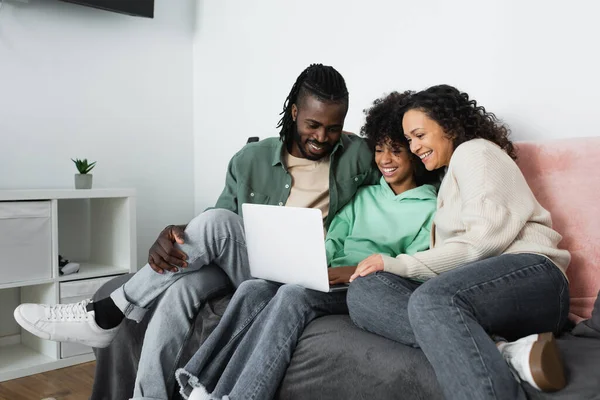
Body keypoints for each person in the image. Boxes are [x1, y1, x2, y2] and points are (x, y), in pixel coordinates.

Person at [13, 64, 380, 400]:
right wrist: (178, 235)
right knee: (180, 290)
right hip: (247, 261)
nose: (322, 137)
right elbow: (219, 217)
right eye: (313, 125)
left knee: (213, 229)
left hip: (300, 278)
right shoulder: (250, 158)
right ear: (295, 112)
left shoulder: (357, 155)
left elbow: (402, 177)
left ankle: (108, 312)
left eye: (333, 128)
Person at [175, 91, 441, 400]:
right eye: (379, 150)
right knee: (253, 288)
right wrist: (311, 266)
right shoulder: (364, 195)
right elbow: (333, 240)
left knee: (292, 295)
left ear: (413, 153)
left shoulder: (430, 206)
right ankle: (201, 387)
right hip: (326, 276)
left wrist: (347, 271)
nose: (384, 160)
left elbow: (412, 266)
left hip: (364, 284)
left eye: (395, 151)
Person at [346, 85, 570, 399]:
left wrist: (398, 263)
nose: (414, 147)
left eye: (419, 135)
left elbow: (482, 243)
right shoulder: (449, 178)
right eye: (409, 139)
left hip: (536, 278)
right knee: (363, 293)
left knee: (431, 301)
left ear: (449, 126)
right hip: (484, 294)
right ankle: (501, 350)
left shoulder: (475, 151)